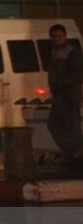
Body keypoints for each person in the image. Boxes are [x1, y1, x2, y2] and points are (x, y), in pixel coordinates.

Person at [46, 23, 83, 167]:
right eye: (54, 36)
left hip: (68, 94)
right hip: (59, 94)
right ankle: (72, 153)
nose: (57, 39)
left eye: (59, 36)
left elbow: (79, 73)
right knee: (57, 124)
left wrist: (64, 84)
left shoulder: (71, 52)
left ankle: (75, 153)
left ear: (65, 36)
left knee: (69, 125)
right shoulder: (54, 51)